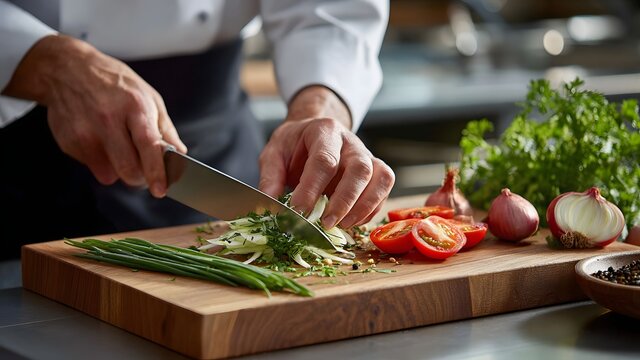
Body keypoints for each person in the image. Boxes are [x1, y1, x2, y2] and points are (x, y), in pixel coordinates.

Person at [0, 0, 395, 262]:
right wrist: (44, 62)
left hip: (212, 131)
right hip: (15, 136)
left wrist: (318, 107)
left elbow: (330, 7)